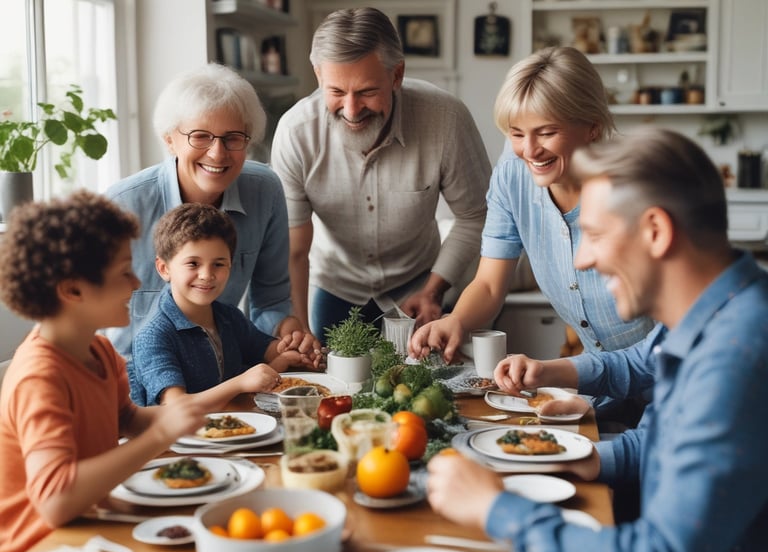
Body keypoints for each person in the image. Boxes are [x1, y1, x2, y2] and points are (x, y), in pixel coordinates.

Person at [427, 128, 768, 552]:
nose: (582, 259)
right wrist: (588, 456)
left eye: (596, 234)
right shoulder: (716, 310)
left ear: (655, 232)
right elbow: (667, 439)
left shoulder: (735, 356)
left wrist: (496, 508)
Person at [409, 46, 655, 428]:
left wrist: (553, 371)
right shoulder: (512, 177)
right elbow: (490, 285)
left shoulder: (635, 189)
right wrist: (456, 321)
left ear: (591, 125)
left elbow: (674, 327)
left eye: (547, 132)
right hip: (602, 386)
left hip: (671, 378)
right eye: (516, 133)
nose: (529, 150)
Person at [0, 192, 208, 552]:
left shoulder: (99, 351)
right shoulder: (39, 377)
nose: (135, 281)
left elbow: (125, 419)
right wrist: (162, 432)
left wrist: (183, 417)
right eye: (123, 271)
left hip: (89, 527)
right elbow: (55, 501)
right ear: (73, 290)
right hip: (40, 547)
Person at [270, 7, 491, 343]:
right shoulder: (295, 133)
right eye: (337, 92)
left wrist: (434, 289)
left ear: (396, 75)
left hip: (419, 286)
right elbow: (294, 249)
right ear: (318, 75)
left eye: (367, 91)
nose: (351, 109)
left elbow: (476, 215)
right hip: (334, 287)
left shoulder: (447, 119)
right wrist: (300, 327)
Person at [105, 63, 320, 401]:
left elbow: (271, 300)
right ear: (170, 140)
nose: (218, 153)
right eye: (200, 136)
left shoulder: (265, 191)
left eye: (233, 137)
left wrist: (286, 332)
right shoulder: (121, 207)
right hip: (138, 399)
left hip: (221, 384)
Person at [131, 203, 319, 407]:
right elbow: (175, 406)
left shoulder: (229, 317)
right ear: (164, 268)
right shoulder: (153, 336)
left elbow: (272, 350)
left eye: (218, 264)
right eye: (193, 263)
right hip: (181, 438)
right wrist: (240, 383)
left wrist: (299, 349)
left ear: (230, 265)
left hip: (237, 427)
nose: (206, 275)